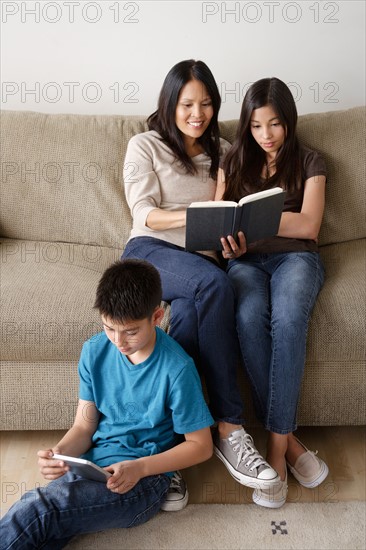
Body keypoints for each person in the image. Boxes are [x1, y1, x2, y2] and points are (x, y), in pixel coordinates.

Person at [121, 59, 279, 490]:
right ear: (169, 104)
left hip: (205, 265)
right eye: (188, 103)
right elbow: (145, 215)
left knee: (191, 313)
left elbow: (230, 217)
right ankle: (229, 426)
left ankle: (171, 449)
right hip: (149, 253)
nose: (198, 113)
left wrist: (234, 240)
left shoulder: (226, 151)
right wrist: (196, 215)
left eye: (207, 103)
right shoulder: (145, 145)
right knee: (213, 284)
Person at [0, 259, 215, 549]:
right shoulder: (93, 351)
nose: (118, 341)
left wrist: (139, 468)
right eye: (109, 328)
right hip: (92, 466)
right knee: (41, 529)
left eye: (130, 331)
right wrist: (61, 453)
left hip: (143, 482)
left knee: (41, 509)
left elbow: (201, 446)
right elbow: (84, 425)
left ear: (156, 316)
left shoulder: (176, 369)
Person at [216, 77, 329, 508]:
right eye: (257, 126)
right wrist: (230, 240)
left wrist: (260, 221)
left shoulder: (312, 161)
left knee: (288, 319)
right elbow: (221, 217)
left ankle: (277, 452)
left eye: (275, 124)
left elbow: (308, 225)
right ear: (247, 125)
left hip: (296, 259)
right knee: (247, 318)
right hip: (245, 261)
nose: (266, 136)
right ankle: (294, 442)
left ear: (289, 122)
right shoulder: (232, 160)